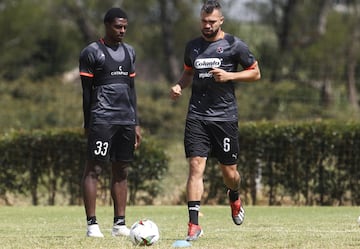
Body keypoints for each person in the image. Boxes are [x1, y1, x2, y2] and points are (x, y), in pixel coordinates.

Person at [170, 0, 261, 241]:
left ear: (221, 21)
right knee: (195, 166)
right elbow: (188, 71)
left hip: (225, 117)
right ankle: (194, 225)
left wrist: (230, 75)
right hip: (197, 116)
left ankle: (234, 195)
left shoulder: (234, 45)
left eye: (211, 22)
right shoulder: (193, 47)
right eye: (203, 21)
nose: (207, 26)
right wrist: (180, 84)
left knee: (229, 173)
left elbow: (255, 72)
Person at [79, 7, 141, 238]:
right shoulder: (91, 52)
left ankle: (119, 225)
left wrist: (136, 123)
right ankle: (92, 225)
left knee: (121, 170)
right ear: (107, 25)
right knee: (94, 169)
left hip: (125, 120)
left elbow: (132, 91)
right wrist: (88, 123)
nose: (122, 30)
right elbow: (86, 93)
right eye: (118, 26)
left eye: (125, 26)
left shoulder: (130, 52)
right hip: (102, 119)